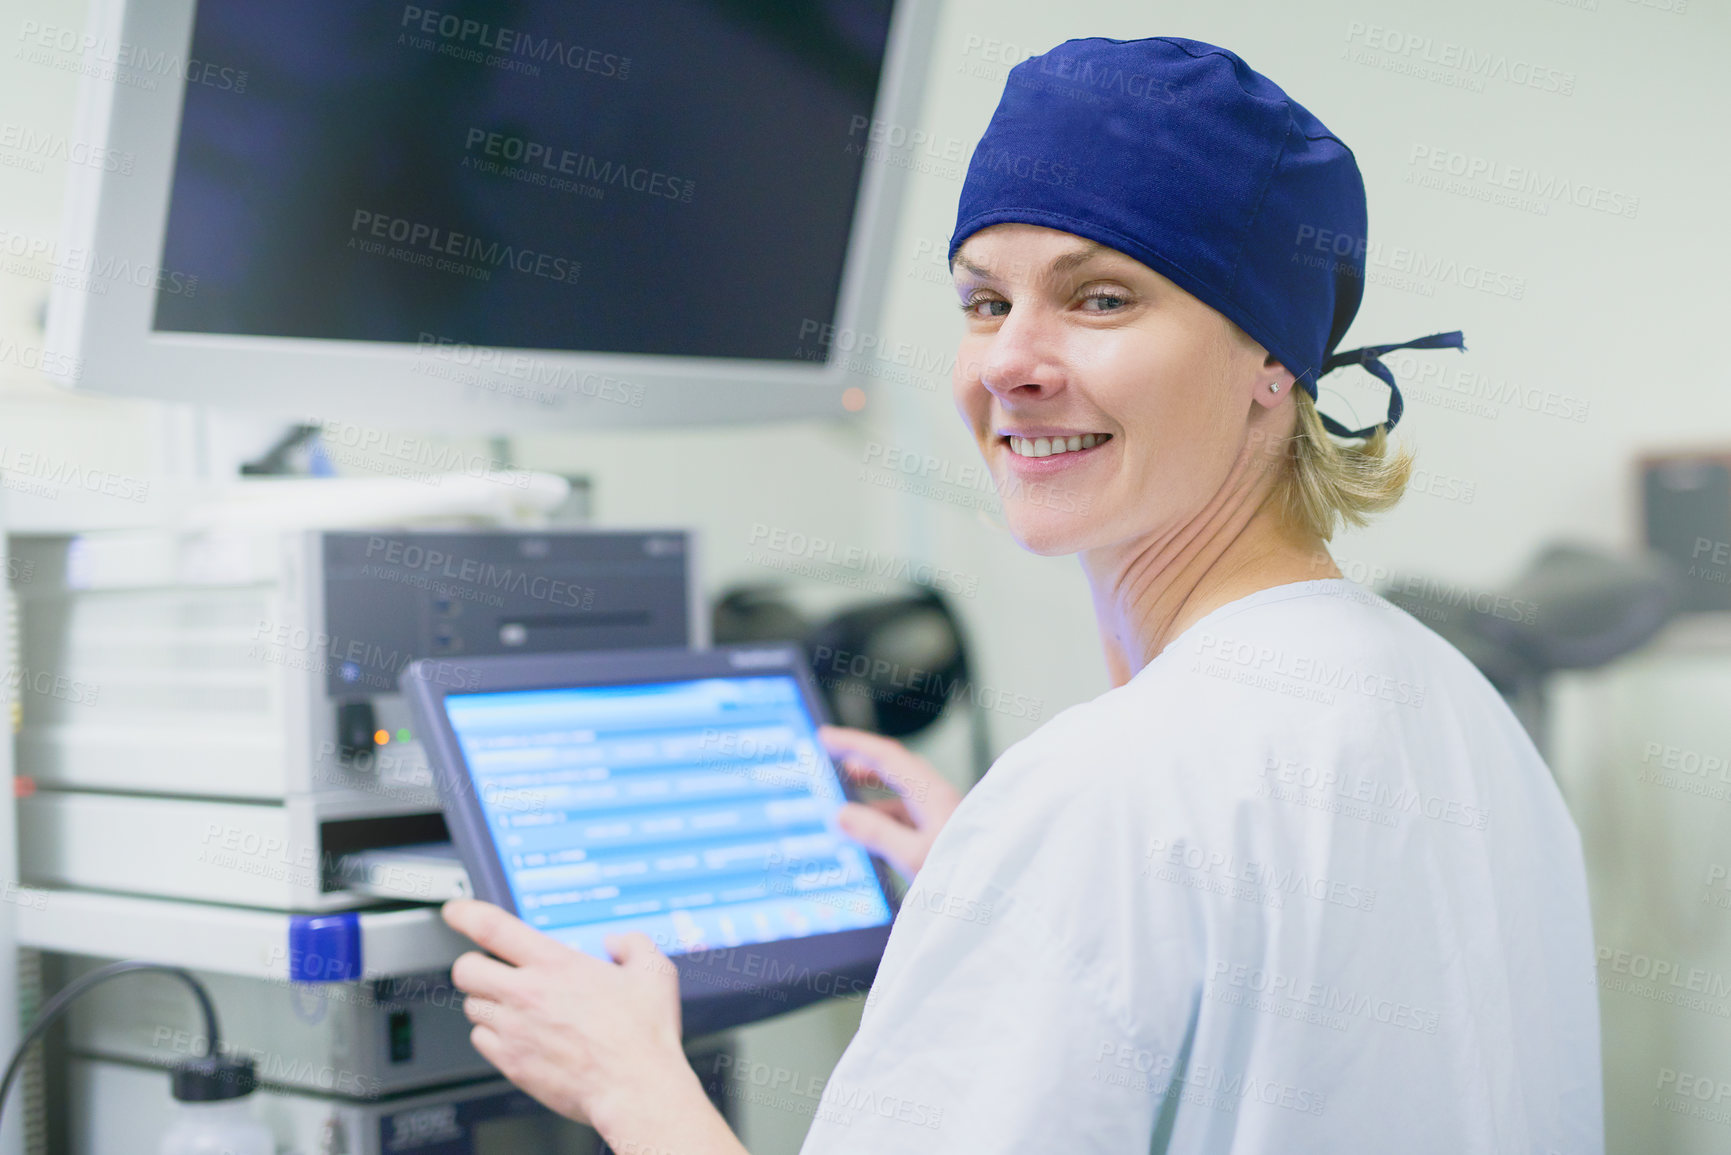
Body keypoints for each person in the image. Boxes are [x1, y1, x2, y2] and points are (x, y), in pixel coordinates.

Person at [440, 36, 1604, 1153]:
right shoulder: (1453, 708)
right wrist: (1005, 905)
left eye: (1101, 299)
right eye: (985, 302)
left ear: (1274, 360)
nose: (1009, 362)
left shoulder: (1107, 797)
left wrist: (630, 1083)